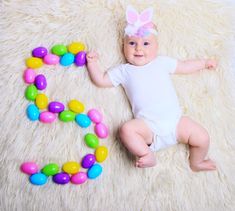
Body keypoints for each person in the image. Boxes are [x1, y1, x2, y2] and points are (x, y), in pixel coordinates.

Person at [86, 5, 217, 171]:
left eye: (146, 43)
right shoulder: (124, 71)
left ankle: (196, 162)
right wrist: (92, 63)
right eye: (132, 43)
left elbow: (184, 66)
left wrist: (204, 63)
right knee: (126, 130)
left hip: (176, 123)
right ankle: (147, 154)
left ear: (156, 47)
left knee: (202, 137)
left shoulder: (161, 62)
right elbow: (101, 80)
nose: (138, 48)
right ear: (123, 46)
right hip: (148, 129)